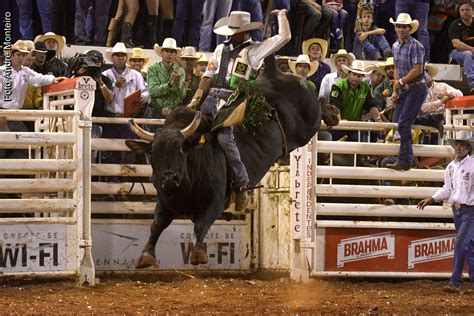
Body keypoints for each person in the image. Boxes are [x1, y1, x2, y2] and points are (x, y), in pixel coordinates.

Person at [188, 10, 291, 211]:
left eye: (235, 31)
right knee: (187, 129)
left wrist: (281, 16)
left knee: (226, 139)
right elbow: (209, 75)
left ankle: (242, 185)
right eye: (231, 31)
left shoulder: (255, 50)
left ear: (244, 32)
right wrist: (196, 98)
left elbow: (284, 37)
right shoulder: (220, 49)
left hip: (233, 101)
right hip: (211, 98)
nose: (231, 34)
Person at [417, 131, 474, 293]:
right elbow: (447, 189)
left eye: (463, 145)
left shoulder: (472, 165)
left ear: (468, 148)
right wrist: (432, 198)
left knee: (461, 243)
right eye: (458, 144)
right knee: (468, 246)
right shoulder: (450, 167)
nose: (459, 147)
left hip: (470, 211)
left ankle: (455, 281)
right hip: (457, 211)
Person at [0, 40, 65, 158]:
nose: (21, 58)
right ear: (12, 55)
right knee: (6, 145)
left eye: (24, 55)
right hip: (3, 114)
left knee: (24, 144)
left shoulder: (25, 71)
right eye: (19, 55)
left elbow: (38, 78)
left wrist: (52, 79)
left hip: (15, 115)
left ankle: (14, 172)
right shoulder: (1, 72)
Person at [386, 13, 427, 171]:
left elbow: (417, 70)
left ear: (410, 29)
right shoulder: (396, 45)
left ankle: (405, 159)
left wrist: (400, 82)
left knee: (402, 123)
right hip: (406, 88)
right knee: (398, 121)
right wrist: (396, 90)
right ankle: (432, 119)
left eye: (404, 26)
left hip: (416, 87)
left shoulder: (416, 45)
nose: (401, 29)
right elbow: (397, 68)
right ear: (395, 28)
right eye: (399, 26)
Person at [328, 59, 381, 142]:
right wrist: (340, 122)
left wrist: (379, 121)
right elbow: (335, 105)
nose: (356, 78)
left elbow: (371, 105)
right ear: (349, 74)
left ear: (362, 77)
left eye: (359, 76)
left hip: (355, 126)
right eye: (354, 74)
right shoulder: (338, 86)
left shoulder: (365, 88)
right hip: (338, 125)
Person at [146, 38, 186, 127]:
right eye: (167, 51)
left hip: (174, 113)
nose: (169, 54)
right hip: (156, 112)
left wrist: (175, 85)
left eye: (172, 52)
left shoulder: (180, 71)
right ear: (161, 53)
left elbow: (182, 94)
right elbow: (153, 91)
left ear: (175, 54)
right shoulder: (153, 69)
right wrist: (170, 84)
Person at [448, 0, 474, 92]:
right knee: (467, 54)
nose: (464, 12)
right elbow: (456, 43)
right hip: (456, 53)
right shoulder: (455, 24)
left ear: (473, 11)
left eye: (467, 9)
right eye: (462, 10)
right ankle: (472, 83)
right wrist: (471, 49)